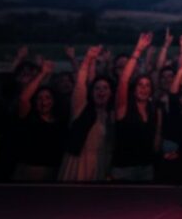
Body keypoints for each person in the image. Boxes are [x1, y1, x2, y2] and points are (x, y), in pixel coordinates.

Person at [59, 46, 115, 181]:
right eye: (97, 88)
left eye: (105, 88)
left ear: (111, 92)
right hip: (78, 163)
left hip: (100, 164)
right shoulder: (81, 108)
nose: (101, 91)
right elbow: (80, 83)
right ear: (91, 92)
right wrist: (88, 59)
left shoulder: (109, 115)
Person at [111, 32, 162, 181]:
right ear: (133, 90)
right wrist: (138, 51)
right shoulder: (124, 108)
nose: (144, 89)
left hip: (146, 168)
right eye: (140, 85)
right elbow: (123, 81)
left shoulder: (152, 110)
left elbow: (156, 139)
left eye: (147, 86)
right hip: (123, 169)